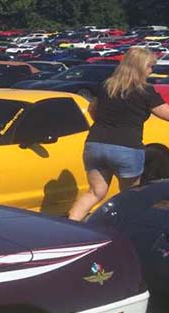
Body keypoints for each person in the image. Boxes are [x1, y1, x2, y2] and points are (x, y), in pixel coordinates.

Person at [68, 47, 169, 221]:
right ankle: (126, 236)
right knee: (130, 196)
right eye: (150, 66)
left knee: (95, 192)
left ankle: (71, 228)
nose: (151, 70)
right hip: (126, 147)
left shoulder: (107, 86)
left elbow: (93, 110)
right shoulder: (145, 91)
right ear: (140, 67)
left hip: (95, 144)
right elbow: (166, 114)